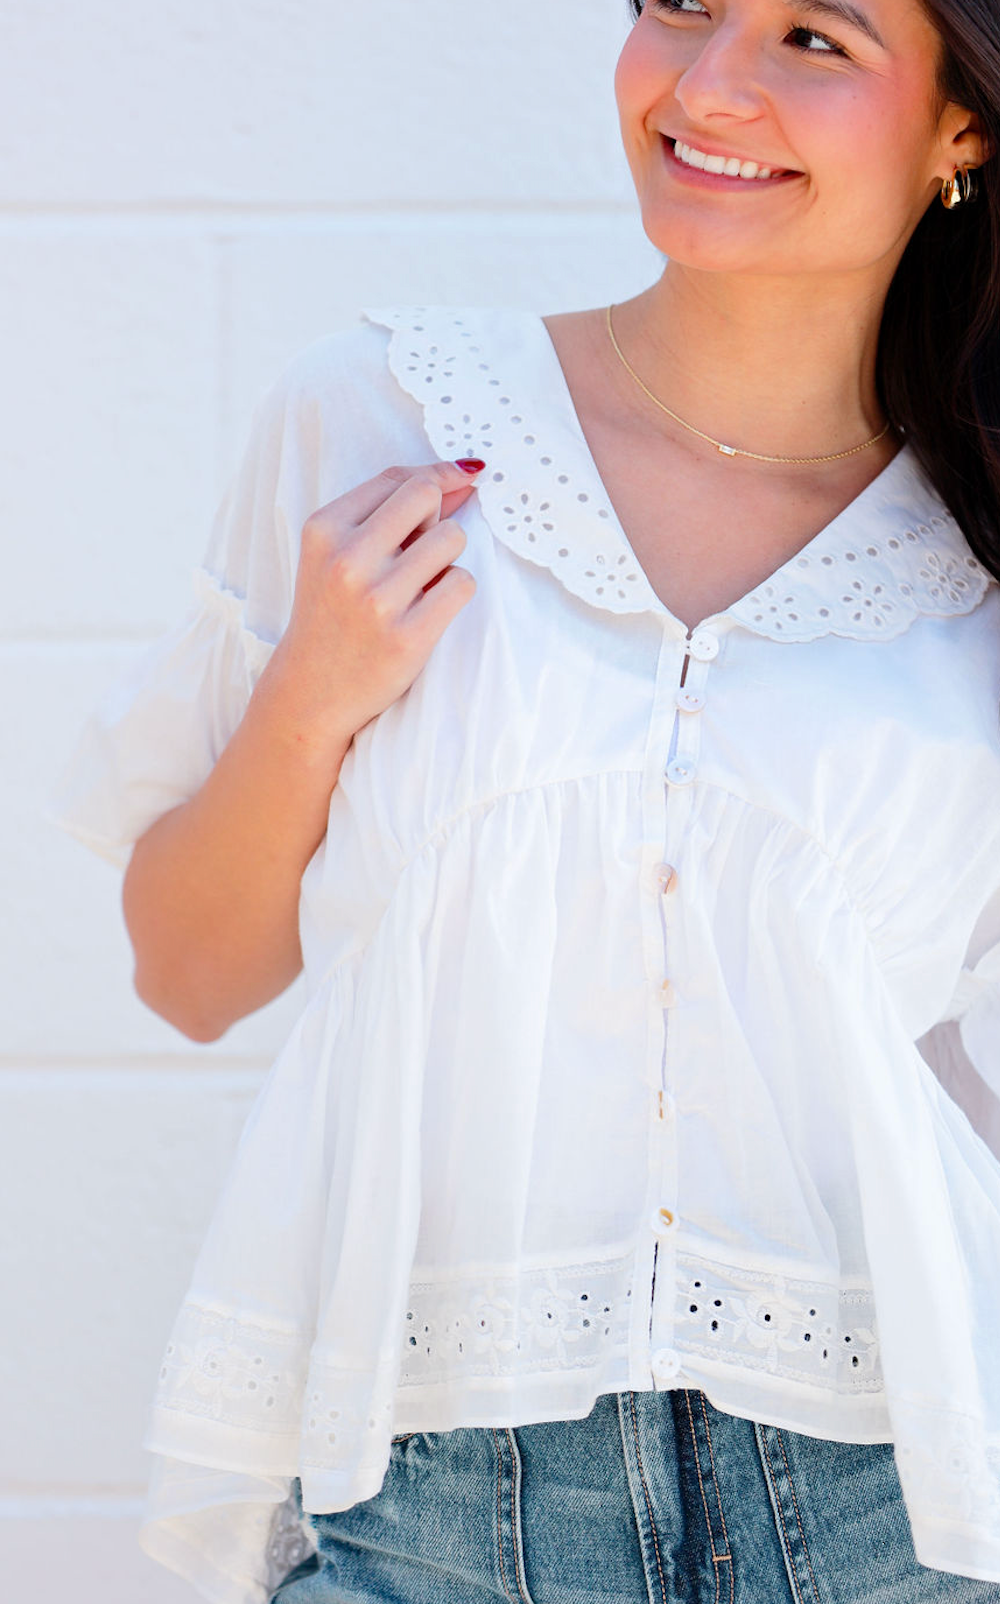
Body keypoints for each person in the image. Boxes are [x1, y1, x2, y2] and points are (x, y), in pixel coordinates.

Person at [52, 0, 1000, 1600]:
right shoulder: (389, 422)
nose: (708, 87)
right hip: (431, 1506)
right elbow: (186, 971)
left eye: (812, 41)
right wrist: (313, 701)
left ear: (960, 131)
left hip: (885, 1509)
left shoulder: (972, 566)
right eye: (681, 4)